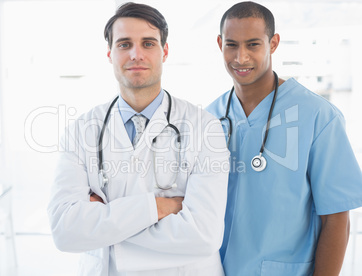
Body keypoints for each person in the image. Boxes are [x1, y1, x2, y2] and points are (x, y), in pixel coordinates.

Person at [47, 2, 229, 275]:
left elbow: (204, 235)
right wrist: (160, 207)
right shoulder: (81, 130)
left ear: (164, 51)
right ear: (110, 53)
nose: (136, 54)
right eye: (124, 44)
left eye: (147, 43)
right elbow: (64, 231)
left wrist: (104, 227)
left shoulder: (204, 127)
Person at [206, 1, 362, 276]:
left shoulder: (318, 116)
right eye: (232, 45)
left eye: (253, 44)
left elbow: (337, 219)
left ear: (273, 43)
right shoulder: (209, 118)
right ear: (220, 44)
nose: (241, 57)